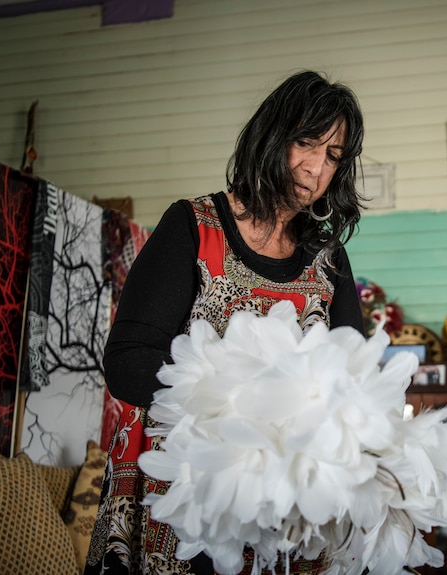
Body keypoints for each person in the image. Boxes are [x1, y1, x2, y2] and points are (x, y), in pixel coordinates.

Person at [84, 70, 366, 575]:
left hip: (289, 509)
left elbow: (355, 383)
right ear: (273, 134)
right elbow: (128, 360)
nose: (315, 166)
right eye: (306, 142)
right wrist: (243, 407)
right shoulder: (193, 226)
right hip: (184, 496)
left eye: (333, 155)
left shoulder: (330, 262)